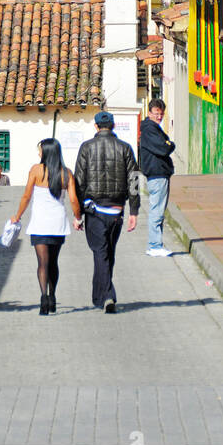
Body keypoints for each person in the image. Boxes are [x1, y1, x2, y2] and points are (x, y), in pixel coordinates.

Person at [74, 110, 140, 312]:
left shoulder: (86, 148)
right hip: (116, 210)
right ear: (113, 126)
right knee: (107, 253)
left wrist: (78, 215)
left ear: (96, 126)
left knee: (100, 253)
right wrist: (134, 211)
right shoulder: (125, 148)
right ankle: (100, 295)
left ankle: (108, 295)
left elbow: (78, 182)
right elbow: (134, 181)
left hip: (94, 210)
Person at [10, 138, 82, 314]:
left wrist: (17, 216)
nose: (38, 153)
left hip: (39, 223)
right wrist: (78, 218)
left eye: (40, 150)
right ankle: (53, 296)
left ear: (46, 152)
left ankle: (43, 297)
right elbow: (73, 199)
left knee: (42, 263)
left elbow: (26, 196)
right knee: (54, 262)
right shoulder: (66, 173)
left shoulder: (36, 170)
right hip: (58, 223)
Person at [139, 98, 175, 257]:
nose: (159, 117)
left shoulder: (150, 128)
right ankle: (154, 245)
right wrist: (170, 144)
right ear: (149, 112)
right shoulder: (150, 129)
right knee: (157, 211)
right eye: (156, 114)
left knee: (158, 210)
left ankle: (156, 244)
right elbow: (163, 148)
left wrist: (168, 143)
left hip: (158, 173)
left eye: (161, 114)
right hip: (157, 173)